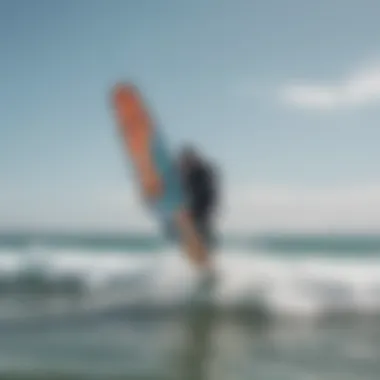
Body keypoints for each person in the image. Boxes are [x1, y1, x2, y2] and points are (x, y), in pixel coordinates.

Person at [178, 145, 219, 253]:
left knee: (201, 229)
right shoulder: (190, 173)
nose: (184, 164)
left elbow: (206, 192)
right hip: (199, 205)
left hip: (203, 205)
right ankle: (199, 253)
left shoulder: (200, 172)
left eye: (186, 161)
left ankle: (207, 253)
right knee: (193, 230)